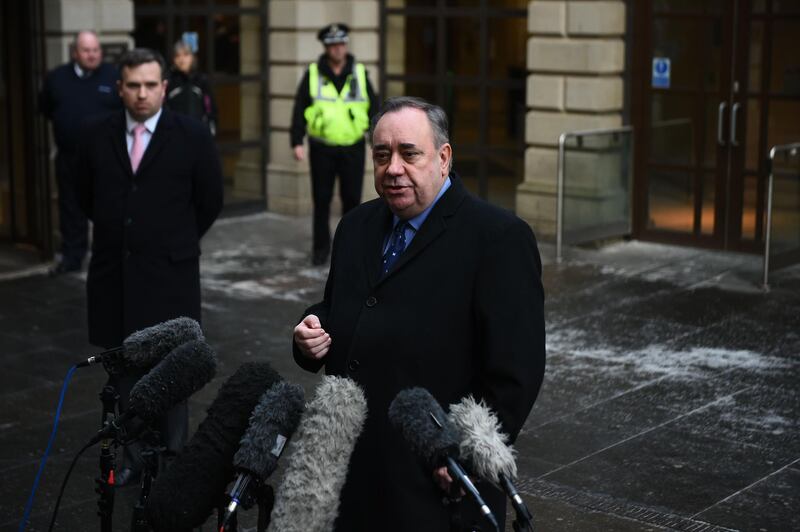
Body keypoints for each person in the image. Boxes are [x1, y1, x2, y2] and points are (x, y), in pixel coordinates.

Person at [292, 96, 546, 531]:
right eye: (382, 155)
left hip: (437, 484)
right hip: (354, 475)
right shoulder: (355, 226)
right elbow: (342, 308)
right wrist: (311, 333)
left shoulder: (498, 238)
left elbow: (515, 373)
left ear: (443, 158)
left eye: (409, 154)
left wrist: (461, 457)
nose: (393, 168)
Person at [76, 48, 223, 486]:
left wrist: (172, 241)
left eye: (150, 85)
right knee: (124, 370)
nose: (142, 94)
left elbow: (209, 200)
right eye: (133, 86)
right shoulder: (94, 134)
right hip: (114, 276)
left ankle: (174, 455)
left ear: (164, 87)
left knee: (173, 366)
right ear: (120, 88)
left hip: (170, 274)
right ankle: (134, 456)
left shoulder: (193, 135)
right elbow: (85, 194)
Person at [290, 23, 378, 266]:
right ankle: (321, 250)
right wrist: (297, 140)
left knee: (352, 201)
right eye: (332, 45)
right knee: (321, 200)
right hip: (322, 147)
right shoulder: (313, 73)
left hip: (353, 146)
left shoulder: (359, 72)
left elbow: (375, 108)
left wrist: (377, 141)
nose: (337, 49)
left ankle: (350, 250)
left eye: (341, 44)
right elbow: (299, 107)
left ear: (346, 45)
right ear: (326, 47)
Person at [40, 30, 121, 274]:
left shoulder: (113, 76)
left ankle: (108, 258)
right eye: (86, 50)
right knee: (70, 207)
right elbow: (45, 107)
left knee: (108, 209)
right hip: (70, 158)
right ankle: (72, 257)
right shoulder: (57, 78)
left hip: (106, 158)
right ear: (75, 52)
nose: (92, 55)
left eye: (96, 50)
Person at [165, 39, 218, 136]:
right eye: (178, 56)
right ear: (173, 59)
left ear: (192, 57)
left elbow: (210, 108)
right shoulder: (169, 81)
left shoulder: (201, 81)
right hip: (175, 134)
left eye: (186, 55)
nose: (182, 60)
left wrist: (210, 129)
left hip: (198, 133)